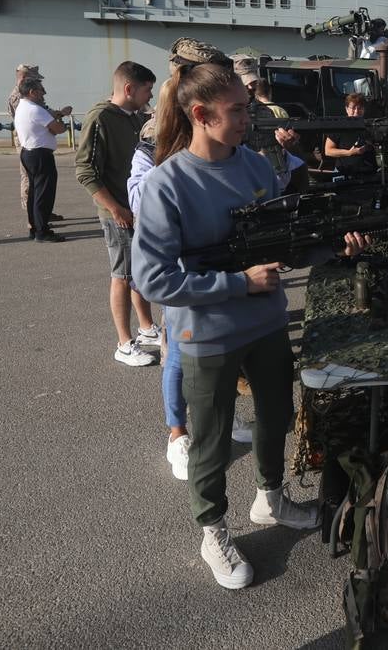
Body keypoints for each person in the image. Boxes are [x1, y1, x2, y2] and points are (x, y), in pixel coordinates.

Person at [130, 61, 367, 590]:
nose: (248, 118)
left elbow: (285, 245)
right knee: (211, 441)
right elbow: (153, 279)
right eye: (237, 110)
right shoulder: (168, 183)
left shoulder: (258, 168)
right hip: (207, 334)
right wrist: (239, 283)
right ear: (200, 114)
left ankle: (270, 498)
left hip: (265, 324)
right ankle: (212, 530)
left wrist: (336, 245)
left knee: (276, 416)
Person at [127, 39, 251, 481]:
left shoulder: (220, 121)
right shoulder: (159, 127)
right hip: (179, 258)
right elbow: (140, 193)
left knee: (223, 347)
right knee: (178, 347)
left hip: (220, 253)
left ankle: (220, 416)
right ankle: (177, 433)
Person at [75, 60, 161, 367]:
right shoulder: (100, 118)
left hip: (134, 209)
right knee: (123, 276)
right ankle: (124, 343)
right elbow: (85, 171)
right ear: (129, 88)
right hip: (118, 212)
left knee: (139, 273)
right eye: (147, 90)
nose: (150, 97)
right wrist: (116, 209)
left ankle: (147, 328)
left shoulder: (134, 117)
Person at [7, 64, 71, 222]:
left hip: (35, 143)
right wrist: (57, 120)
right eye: (37, 83)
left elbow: (43, 115)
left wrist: (59, 113)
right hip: (32, 145)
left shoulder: (28, 101)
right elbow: (39, 118)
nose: (43, 91)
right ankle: (36, 220)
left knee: (40, 186)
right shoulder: (20, 99)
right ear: (24, 78)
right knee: (34, 184)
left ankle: (41, 215)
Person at [324, 92, 379, 178]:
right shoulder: (338, 126)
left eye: (359, 108)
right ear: (347, 109)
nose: (356, 111)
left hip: (368, 174)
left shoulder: (370, 126)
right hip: (344, 174)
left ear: (364, 109)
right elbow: (328, 151)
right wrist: (349, 153)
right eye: (353, 108)